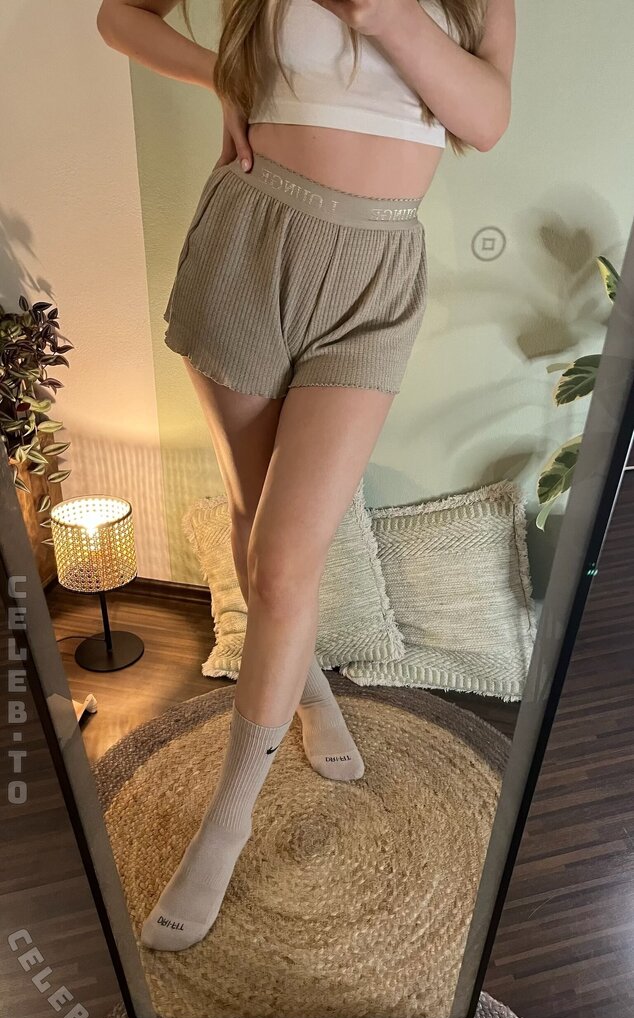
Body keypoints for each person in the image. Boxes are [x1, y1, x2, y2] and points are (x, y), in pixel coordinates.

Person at [97, 0, 515, 952]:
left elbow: (487, 119)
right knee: (257, 517)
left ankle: (228, 820)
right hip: (250, 240)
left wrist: (390, 16)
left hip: (376, 274)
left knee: (287, 558)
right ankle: (309, 686)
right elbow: (120, 18)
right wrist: (222, 76)